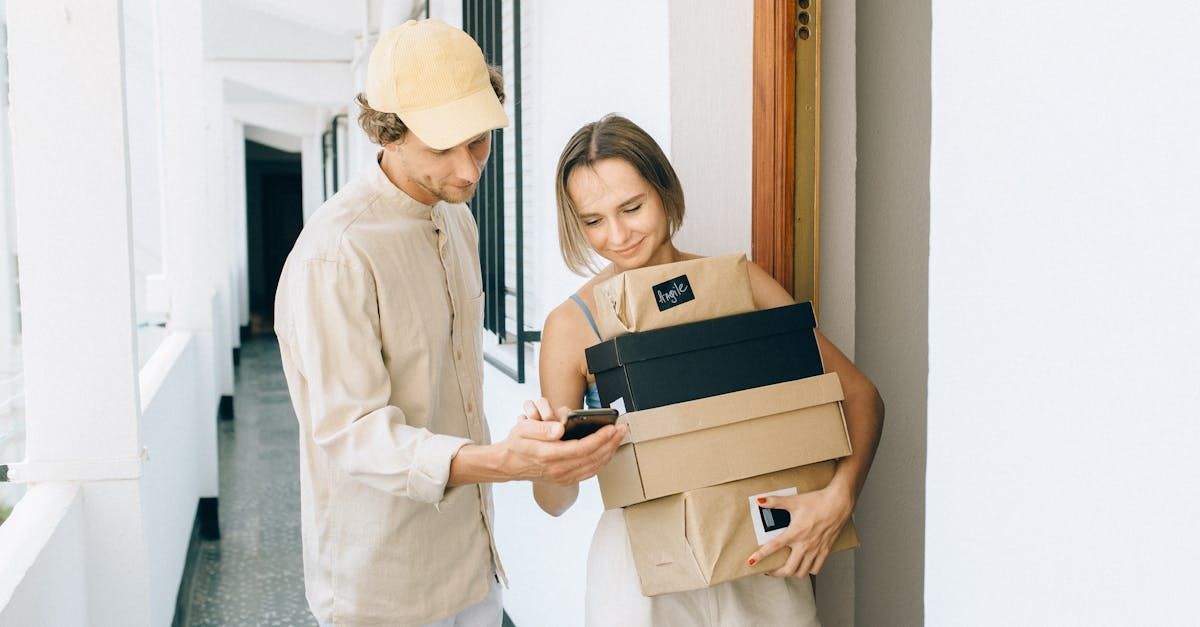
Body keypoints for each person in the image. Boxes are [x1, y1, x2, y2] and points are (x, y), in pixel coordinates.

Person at [274, 21, 625, 626]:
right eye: (443, 148)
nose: (469, 169)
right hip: (384, 589)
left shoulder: (456, 221)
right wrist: (507, 463)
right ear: (389, 132)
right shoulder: (337, 253)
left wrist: (530, 438)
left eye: (480, 142)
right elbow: (353, 432)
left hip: (471, 563)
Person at [533, 115, 885, 625]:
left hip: (757, 552)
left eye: (632, 208)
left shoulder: (739, 284)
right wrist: (554, 456)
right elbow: (553, 502)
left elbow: (859, 394)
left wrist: (840, 499)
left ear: (664, 191)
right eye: (592, 220)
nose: (617, 235)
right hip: (640, 576)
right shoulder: (571, 326)